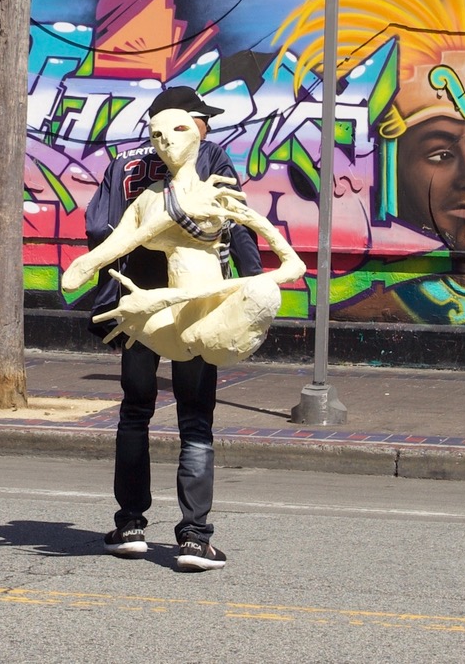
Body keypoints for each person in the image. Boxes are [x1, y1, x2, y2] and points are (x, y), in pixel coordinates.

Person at [64, 86, 300, 572]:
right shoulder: (209, 154)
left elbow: (99, 230)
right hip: (196, 301)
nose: (206, 127)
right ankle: (194, 537)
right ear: (189, 121)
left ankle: (130, 526)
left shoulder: (121, 163)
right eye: (202, 118)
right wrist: (248, 282)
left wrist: (122, 270)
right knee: (195, 417)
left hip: (137, 305)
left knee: (135, 412)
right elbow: (236, 223)